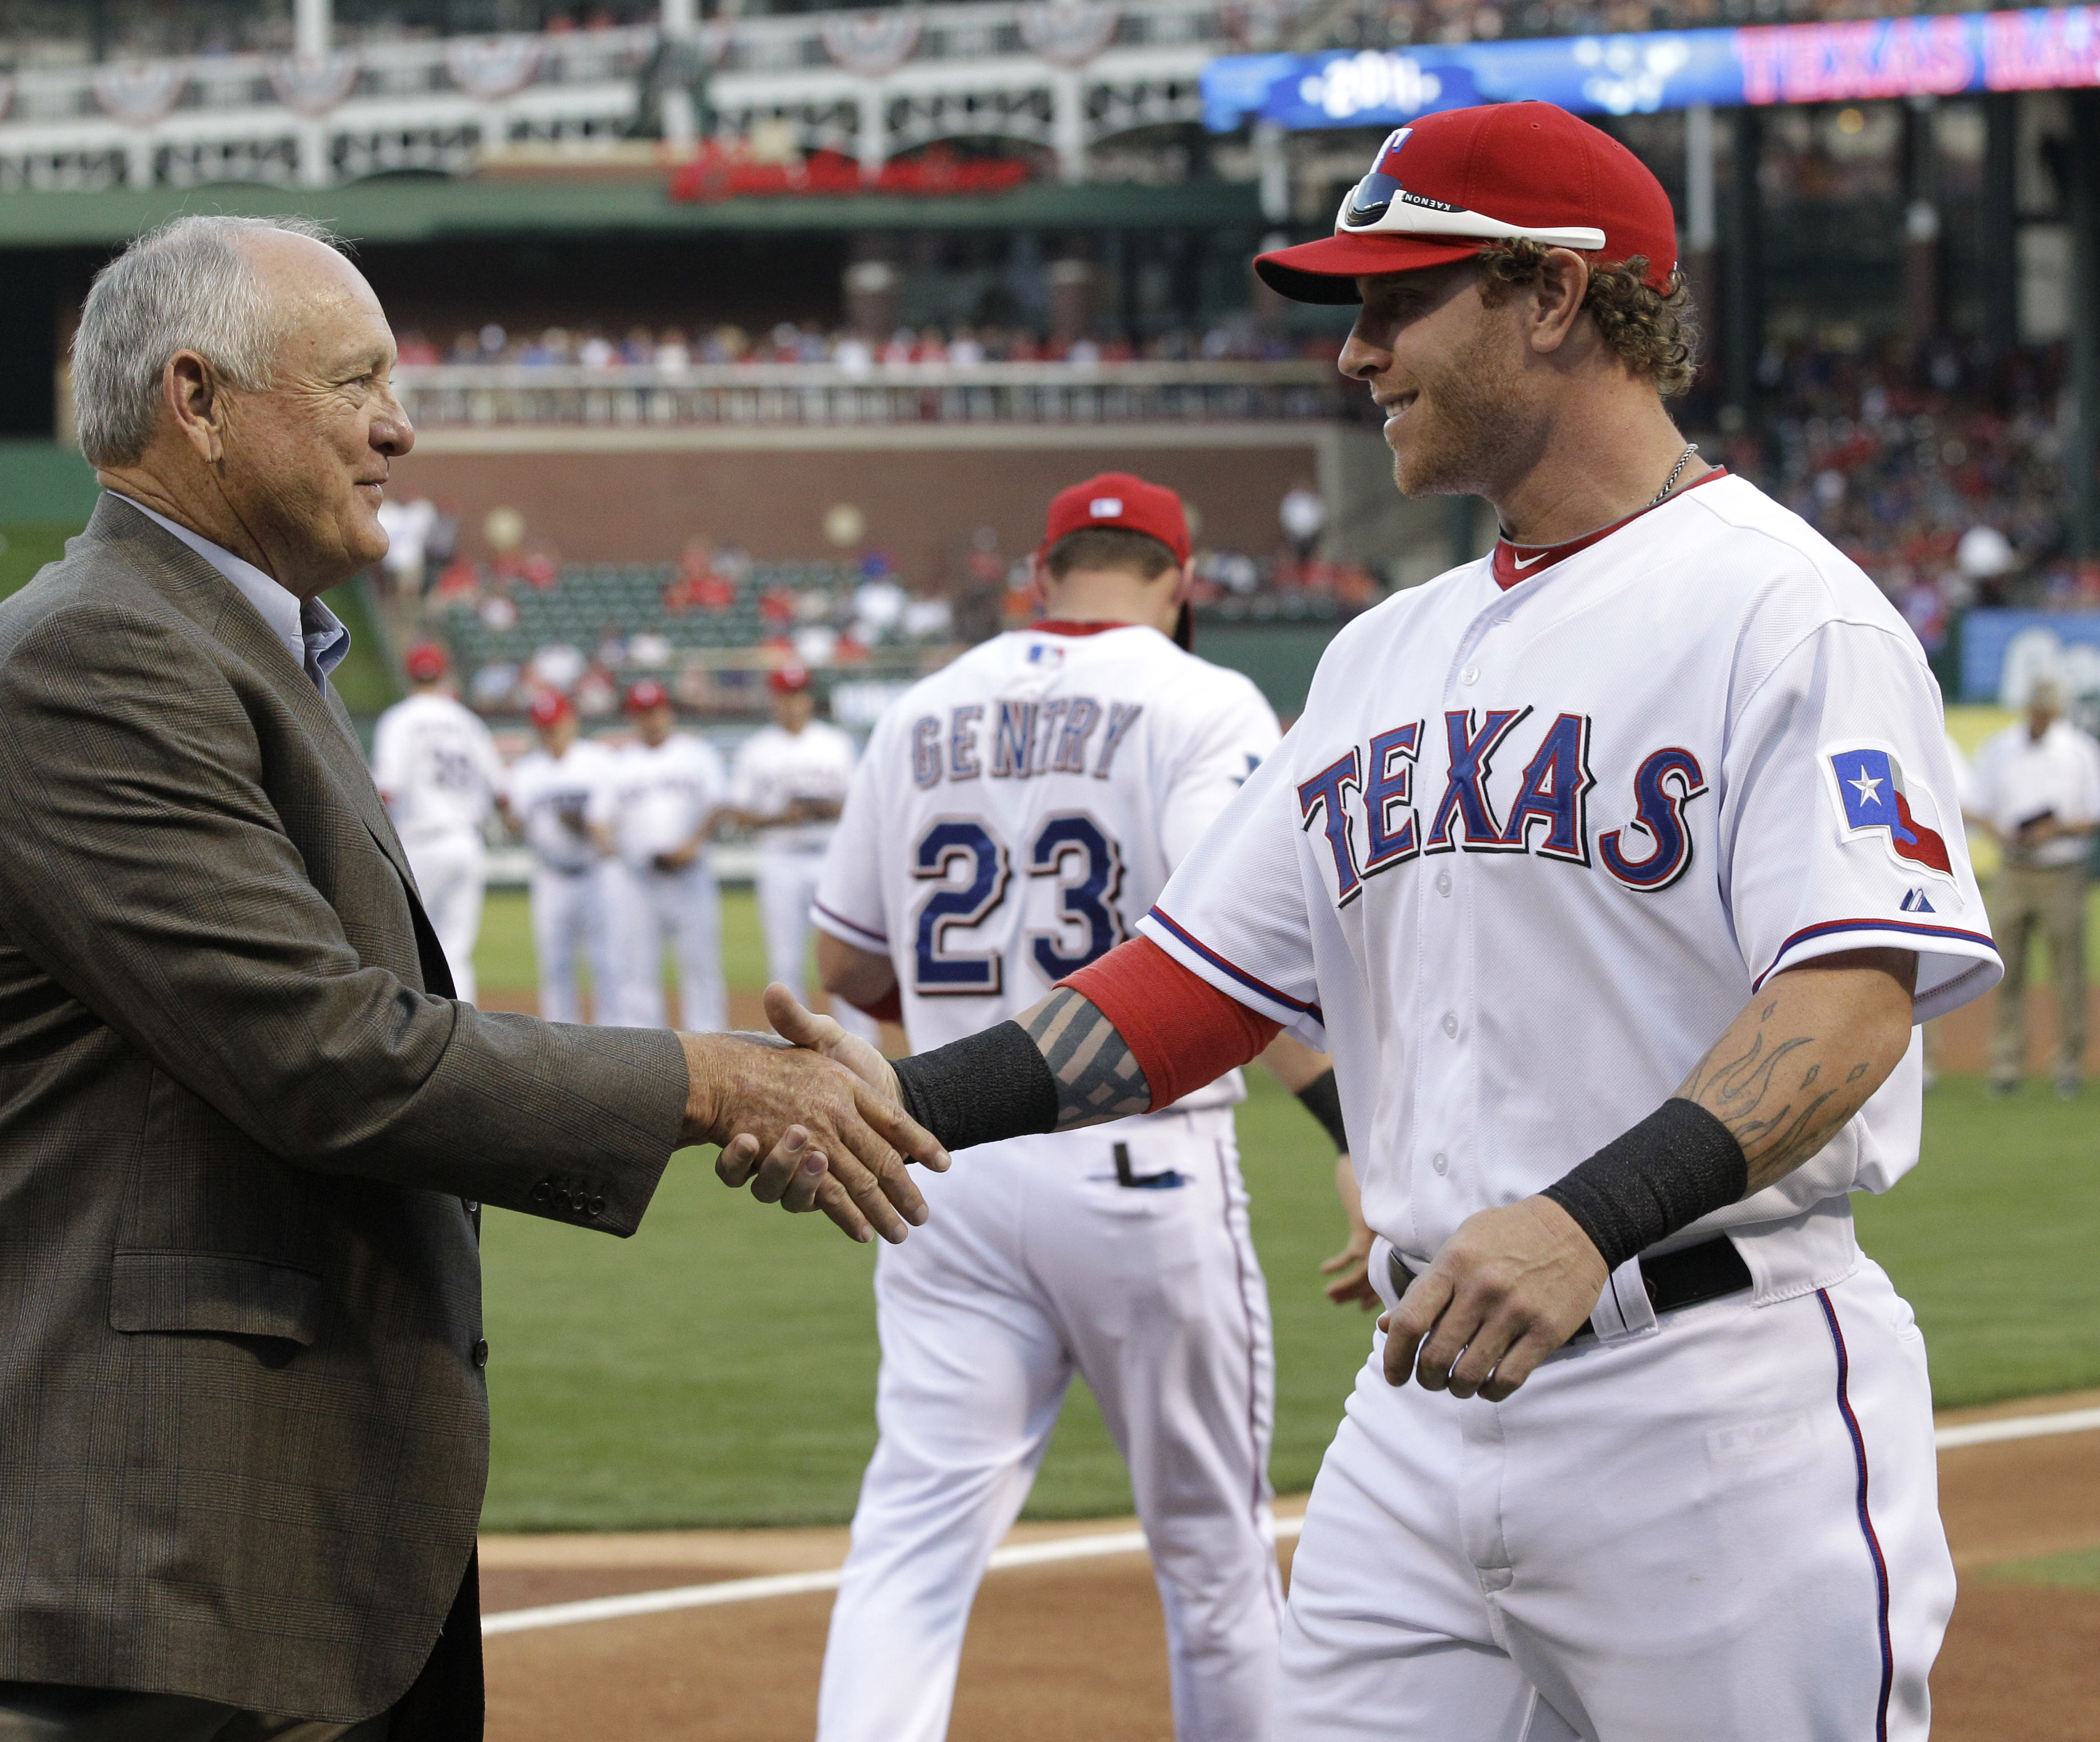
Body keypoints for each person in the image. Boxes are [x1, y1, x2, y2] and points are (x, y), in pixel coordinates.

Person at [752, 103, 2001, 1741]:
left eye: (1397, 299)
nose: (1357, 353)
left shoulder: (1788, 612)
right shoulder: (1380, 655)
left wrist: (1587, 1217)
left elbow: (1849, 998)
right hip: (1420, 1410)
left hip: (1711, 1393)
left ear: (1554, 296)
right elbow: (1181, 995)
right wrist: (891, 1102)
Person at [0, 212, 944, 1742]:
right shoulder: (101, 654)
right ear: (194, 401)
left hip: (209, 1567)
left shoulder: (235, 649)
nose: (400, 426)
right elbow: (327, 1054)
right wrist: (716, 1076)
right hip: (82, 1578)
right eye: (353, 383)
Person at [805, 472, 1369, 1742]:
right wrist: (1354, 1130)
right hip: (1139, 1161)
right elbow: (1245, 947)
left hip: (943, 1160)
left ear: (1042, 575)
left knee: (909, 1548)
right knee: (1213, 1558)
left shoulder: (922, 707)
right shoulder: (1199, 696)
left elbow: (843, 965)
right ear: (1178, 585)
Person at [1966, 675, 2099, 1095]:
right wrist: (2002, 832)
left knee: (2068, 970)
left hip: (2061, 870)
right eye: (2036, 709)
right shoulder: (2001, 748)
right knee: (2006, 969)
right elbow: (1976, 805)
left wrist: (2055, 829)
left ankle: (2069, 1064)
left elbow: (2094, 814)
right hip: (2013, 869)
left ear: (2057, 711)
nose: (2041, 717)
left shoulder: (2078, 751)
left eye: (2048, 711)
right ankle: (2007, 1065)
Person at [730, 664, 877, 1043]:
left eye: (798, 694)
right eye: (784, 695)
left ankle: (861, 1043)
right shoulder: (757, 750)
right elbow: (741, 815)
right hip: (780, 857)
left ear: (808, 698)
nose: (792, 703)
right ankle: (785, 1045)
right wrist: (783, 816)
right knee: (786, 960)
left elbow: (862, 803)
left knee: (848, 956)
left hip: (831, 855)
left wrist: (825, 808)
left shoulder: (836, 743)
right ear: (774, 700)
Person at [372, 641, 504, 1005]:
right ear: (443, 674)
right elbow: (501, 790)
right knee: (456, 952)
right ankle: (467, 1040)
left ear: (409, 673)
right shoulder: (467, 721)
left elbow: (387, 790)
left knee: (406, 948)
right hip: (465, 841)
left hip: (421, 842)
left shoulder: (401, 719)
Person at [597, 678, 727, 1032]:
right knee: (636, 971)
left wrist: (693, 844)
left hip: (690, 876)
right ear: (633, 717)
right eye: (642, 713)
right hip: (639, 879)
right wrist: (614, 847)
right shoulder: (619, 762)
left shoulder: (696, 753)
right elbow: (600, 820)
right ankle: (643, 1057)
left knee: (701, 967)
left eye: (655, 711)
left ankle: (712, 1050)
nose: (650, 719)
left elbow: (716, 805)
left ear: (667, 711)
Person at [498, 689, 617, 1023]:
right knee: (555, 966)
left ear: (571, 722)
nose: (549, 734)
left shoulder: (598, 761)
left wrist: (580, 823)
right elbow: (515, 825)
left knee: (608, 964)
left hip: (597, 874)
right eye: (543, 727)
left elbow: (608, 830)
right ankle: (560, 1045)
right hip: (551, 876)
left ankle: (616, 1040)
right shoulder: (526, 771)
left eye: (555, 725)